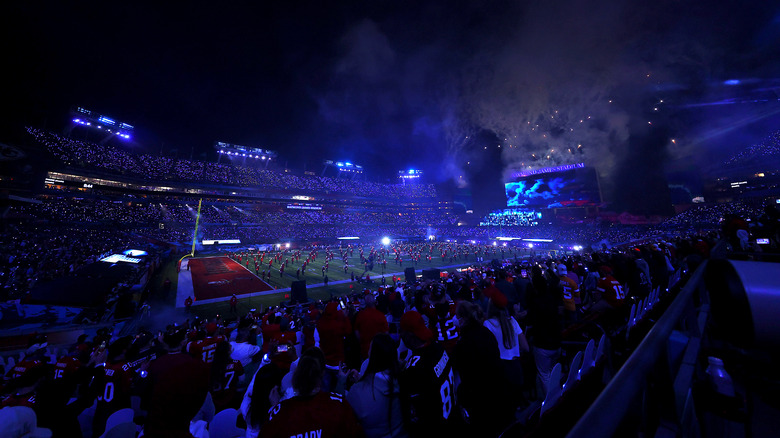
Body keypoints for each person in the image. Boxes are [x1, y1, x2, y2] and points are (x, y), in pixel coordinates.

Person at [259, 355, 363, 437]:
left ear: (295, 379)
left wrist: (274, 408)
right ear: (321, 376)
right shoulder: (339, 403)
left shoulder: (279, 412)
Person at [453, 301, 513, 436]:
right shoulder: (485, 332)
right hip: (497, 390)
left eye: (457, 316)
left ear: (463, 319)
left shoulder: (464, 343)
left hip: (480, 398)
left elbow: (464, 372)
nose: (455, 319)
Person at [398, 310, 456, 436]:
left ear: (409, 335)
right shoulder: (439, 348)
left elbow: (412, 415)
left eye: (401, 331)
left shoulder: (414, 370)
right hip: (451, 420)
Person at [346, 333, 407, 438]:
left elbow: (344, 415)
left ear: (372, 354)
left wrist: (342, 382)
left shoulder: (358, 392)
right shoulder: (405, 378)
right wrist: (361, 380)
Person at [482, 286, 529, 409]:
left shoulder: (488, 324)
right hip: (516, 367)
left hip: (501, 370)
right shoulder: (512, 321)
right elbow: (525, 347)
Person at [354, 295, 389, 361]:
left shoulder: (360, 315)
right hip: (379, 350)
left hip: (365, 350)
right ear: (375, 302)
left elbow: (357, 332)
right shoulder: (381, 316)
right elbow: (386, 333)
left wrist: (362, 342)